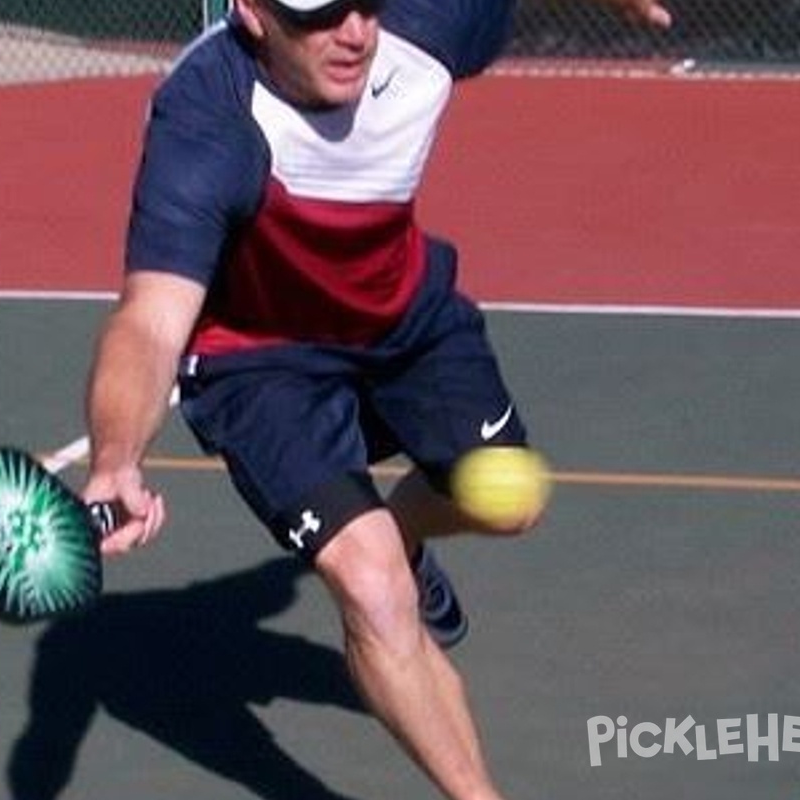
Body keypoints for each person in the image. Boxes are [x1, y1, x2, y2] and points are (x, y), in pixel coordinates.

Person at [82, 0, 671, 798]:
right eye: (320, 16)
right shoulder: (206, 120)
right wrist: (118, 458)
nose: (354, 33)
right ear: (251, 12)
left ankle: (403, 528)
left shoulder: (427, 28)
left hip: (404, 322)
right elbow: (151, 322)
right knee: (372, 585)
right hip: (262, 365)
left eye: (365, 4)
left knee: (510, 503)